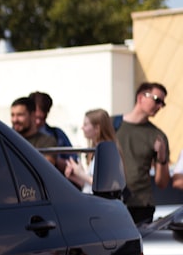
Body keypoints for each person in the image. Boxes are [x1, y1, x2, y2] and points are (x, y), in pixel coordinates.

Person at [116, 81, 170, 224]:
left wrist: (162, 157)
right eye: (157, 100)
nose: (160, 107)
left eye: (162, 104)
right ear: (141, 97)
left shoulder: (158, 136)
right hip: (113, 204)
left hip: (141, 207)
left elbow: (162, 183)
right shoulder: (112, 124)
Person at [64, 109, 118, 193]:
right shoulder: (98, 150)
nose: (82, 128)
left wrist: (81, 173)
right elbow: (90, 184)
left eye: (85, 124)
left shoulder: (106, 152)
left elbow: (104, 185)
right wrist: (74, 176)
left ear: (97, 128)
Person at [29, 91, 75, 161]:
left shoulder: (57, 135)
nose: (38, 122)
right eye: (35, 117)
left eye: (42, 118)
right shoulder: (15, 134)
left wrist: (55, 161)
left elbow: (73, 160)